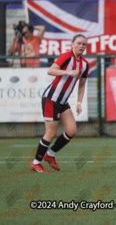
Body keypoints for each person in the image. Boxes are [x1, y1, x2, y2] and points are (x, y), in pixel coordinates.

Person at [30, 34, 89, 172]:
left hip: (62, 101)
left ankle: (50, 155)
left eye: (84, 44)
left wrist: (79, 103)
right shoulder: (67, 56)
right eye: (79, 43)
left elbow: (81, 85)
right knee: (51, 133)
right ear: (72, 44)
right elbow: (50, 70)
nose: (81, 46)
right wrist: (68, 72)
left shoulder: (85, 64)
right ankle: (36, 163)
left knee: (71, 130)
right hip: (51, 98)